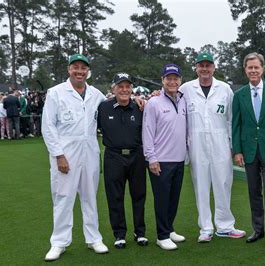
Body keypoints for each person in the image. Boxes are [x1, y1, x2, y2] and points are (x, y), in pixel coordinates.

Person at [41, 54, 109, 261]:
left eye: (83, 68)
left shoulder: (96, 94)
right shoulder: (56, 93)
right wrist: (58, 155)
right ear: (69, 69)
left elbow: (112, 108)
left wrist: (139, 101)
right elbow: (48, 126)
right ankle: (59, 242)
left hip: (90, 150)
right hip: (66, 151)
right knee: (63, 197)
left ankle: (94, 238)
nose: (80, 71)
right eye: (75, 67)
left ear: (88, 71)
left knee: (90, 196)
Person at [179, 52, 245, 242]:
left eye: (208, 65)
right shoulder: (186, 89)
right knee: (201, 185)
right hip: (196, 144)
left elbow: (232, 120)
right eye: (201, 65)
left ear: (214, 68)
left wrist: (234, 147)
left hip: (221, 143)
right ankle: (206, 228)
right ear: (196, 68)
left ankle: (225, 226)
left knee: (223, 183)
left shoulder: (224, 89)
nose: (205, 69)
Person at [232, 52, 265, 249]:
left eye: (256, 67)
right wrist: (237, 150)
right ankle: (258, 229)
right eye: (249, 67)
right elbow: (235, 125)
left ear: (262, 69)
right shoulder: (239, 95)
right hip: (249, 151)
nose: (253, 70)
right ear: (245, 70)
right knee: (254, 191)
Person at [97, 73, 148, 249]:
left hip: (136, 156)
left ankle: (140, 232)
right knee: (115, 196)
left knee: (139, 195)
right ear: (114, 89)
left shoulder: (140, 107)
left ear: (132, 89)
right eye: (121, 86)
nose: (124, 90)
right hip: (113, 156)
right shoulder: (103, 108)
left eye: (128, 86)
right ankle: (119, 234)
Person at [142, 64, 187, 251]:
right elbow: (147, 132)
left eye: (175, 78)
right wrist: (151, 158)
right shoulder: (153, 103)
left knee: (173, 198)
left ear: (180, 81)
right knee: (162, 199)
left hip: (179, 159)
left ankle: (168, 229)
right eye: (168, 78)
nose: (172, 81)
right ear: (162, 80)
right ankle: (161, 236)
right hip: (160, 161)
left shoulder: (183, 100)